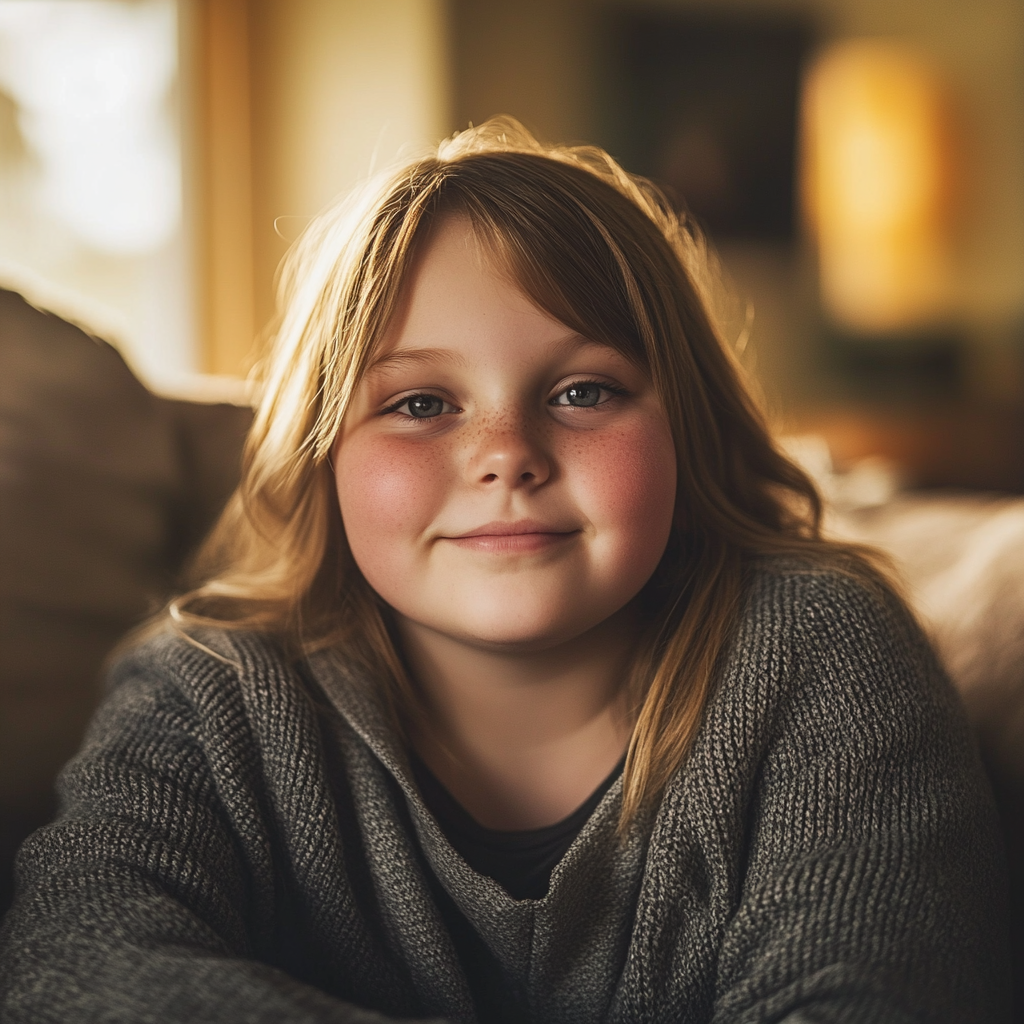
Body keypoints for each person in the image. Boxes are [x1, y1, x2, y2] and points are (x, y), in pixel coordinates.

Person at [0, 118, 1009, 1023]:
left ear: (687, 433)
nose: (506, 451)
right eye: (421, 404)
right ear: (321, 453)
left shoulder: (819, 653)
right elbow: (73, 967)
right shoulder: (206, 692)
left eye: (581, 389)